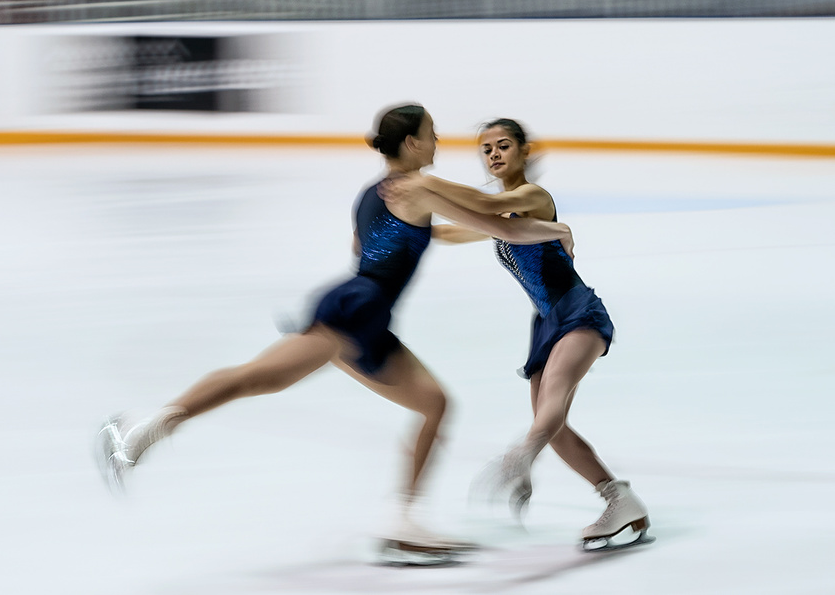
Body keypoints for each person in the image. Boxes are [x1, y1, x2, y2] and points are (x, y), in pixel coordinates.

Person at [95, 105, 573, 555]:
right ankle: (142, 430)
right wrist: (557, 230)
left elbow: (398, 238)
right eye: (431, 134)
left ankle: (402, 518)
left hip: (356, 307)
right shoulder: (419, 187)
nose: (437, 141)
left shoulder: (375, 192)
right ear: (410, 142)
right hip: (358, 311)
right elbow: (502, 228)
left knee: (409, 400)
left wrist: (493, 224)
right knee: (259, 378)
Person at [380, 118, 650, 550]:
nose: (494, 155)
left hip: (578, 312)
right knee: (554, 425)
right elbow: (452, 231)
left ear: (525, 152)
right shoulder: (502, 208)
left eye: (503, 145)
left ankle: (520, 457)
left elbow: (483, 210)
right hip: (547, 322)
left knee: (553, 397)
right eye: (486, 149)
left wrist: (420, 184)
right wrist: (401, 218)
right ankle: (621, 500)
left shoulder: (533, 196)